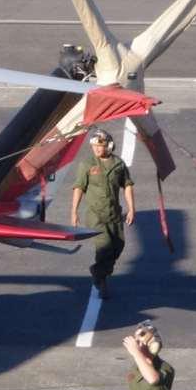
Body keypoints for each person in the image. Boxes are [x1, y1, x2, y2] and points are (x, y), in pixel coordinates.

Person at [70, 127, 135, 299]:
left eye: (100, 145)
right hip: (95, 215)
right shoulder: (87, 165)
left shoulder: (118, 164)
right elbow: (78, 188)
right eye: (94, 146)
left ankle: (98, 269)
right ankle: (101, 278)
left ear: (109, 146)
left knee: (118, 246)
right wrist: (74, 212)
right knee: (104, 246)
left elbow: (127, 186)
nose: (96, 149)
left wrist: (131, 208)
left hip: (114, 214)